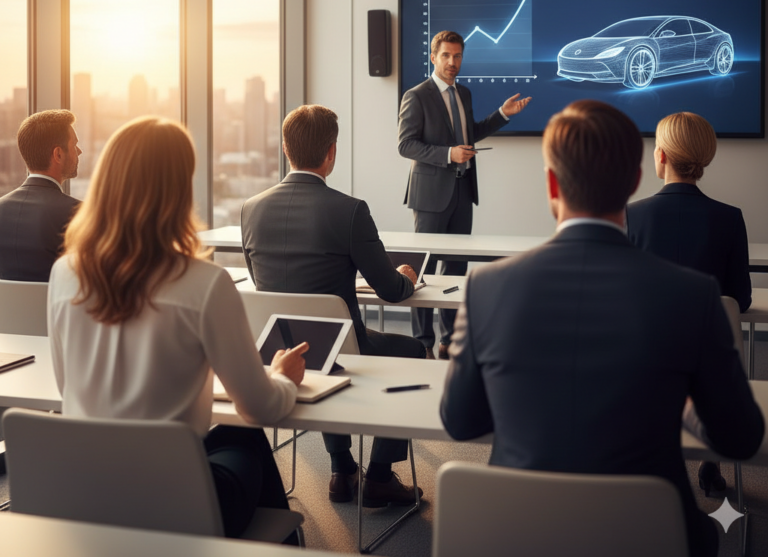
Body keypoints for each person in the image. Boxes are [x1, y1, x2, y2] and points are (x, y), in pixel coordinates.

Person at [440, 100, 764, 557]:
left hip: (515, 533)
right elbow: (742, 438)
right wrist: (687, 406)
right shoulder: (694, 297)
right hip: (649, 535)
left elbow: (460, 421)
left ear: (551, 183)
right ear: (634, 181)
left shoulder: (485, 287)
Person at [48, 117, 308, 539]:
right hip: (175, 504)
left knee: (227, 440)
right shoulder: (204, 283)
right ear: (177, 189)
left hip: (85, 495)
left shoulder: (63, 274)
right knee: (247, 438)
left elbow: (67, 387)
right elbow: (259, 407)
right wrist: (282, 378)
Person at [242, 104, 426, 508]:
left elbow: (262, 284)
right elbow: (392, 290)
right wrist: (410, 276)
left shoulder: (250, 209)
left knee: (320, 345)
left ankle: (341, 471)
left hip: (280, 352)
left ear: (287, 151)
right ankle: (378, 477)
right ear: (331, 152)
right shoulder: (350, 210)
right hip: (343, 351)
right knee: (412, 350)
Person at [398, 30, 531, 358]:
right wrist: (448, 154)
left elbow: (470, 133)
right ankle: (422, 342)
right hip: (430, 195)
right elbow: (406, 144)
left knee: (455, 270)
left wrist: (502, 115)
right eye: (446, 56)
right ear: (433, 57)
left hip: (462, 190)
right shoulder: (416, 96)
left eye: (457, 56)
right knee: (424, 272)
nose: (453, 62)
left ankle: (449, 340)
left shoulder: (464, 94)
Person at [627, 111, 751, 312]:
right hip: (708, 342)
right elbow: (741, 300)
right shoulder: (731, 218)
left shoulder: (630, 215)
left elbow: (620, 294)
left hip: (647, 342)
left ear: (662, 155)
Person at [0, 109, 81, 281]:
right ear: (58, 154)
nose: (79, 151)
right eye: (74, 144)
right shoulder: (78, 213)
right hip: (52, 308)